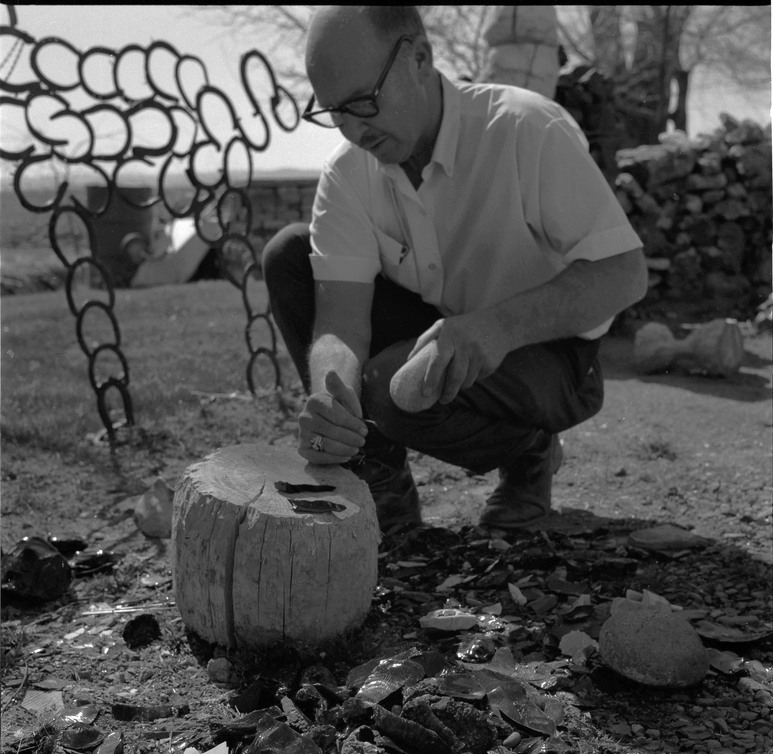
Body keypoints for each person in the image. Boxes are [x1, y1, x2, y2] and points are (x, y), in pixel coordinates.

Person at [263, 6, 647, 537]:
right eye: (333, 112)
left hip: (552, 353)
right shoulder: (349, 174)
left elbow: (624, 273)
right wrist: (331, 399)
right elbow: (340, 322)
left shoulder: (524, 128)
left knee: (391, 387)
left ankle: (531, 452)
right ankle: (380, 483)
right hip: (450, 324)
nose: (352, 129)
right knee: (289, 257)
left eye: (362, 102)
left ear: (420, 57)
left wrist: (500, 327)